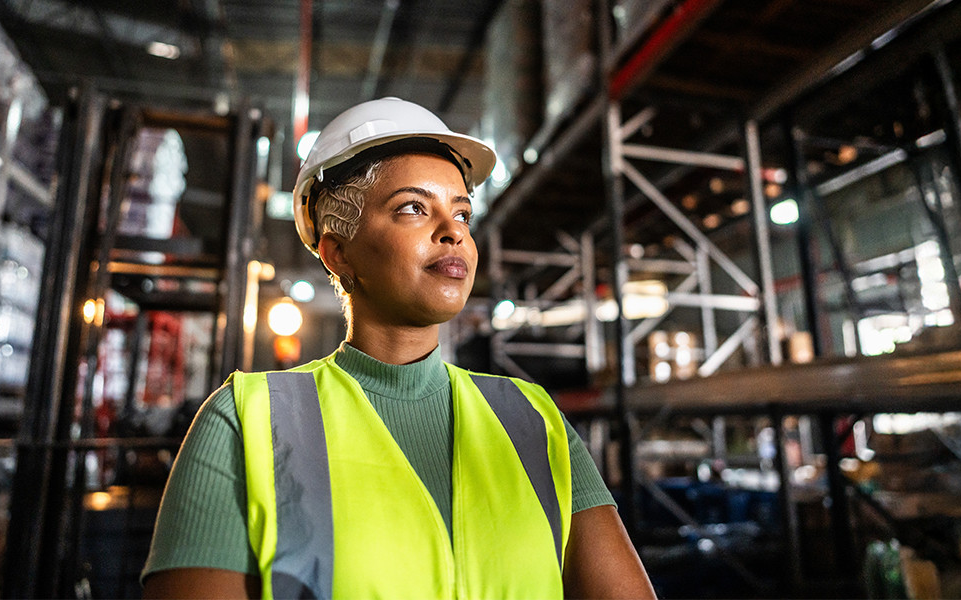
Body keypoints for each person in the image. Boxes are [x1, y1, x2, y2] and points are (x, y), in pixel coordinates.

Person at [142, 98, 655, 599]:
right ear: (337, 252)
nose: (453, 232)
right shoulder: (245, 422)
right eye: (413, 208)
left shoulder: (535, 420)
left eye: (462, 214)